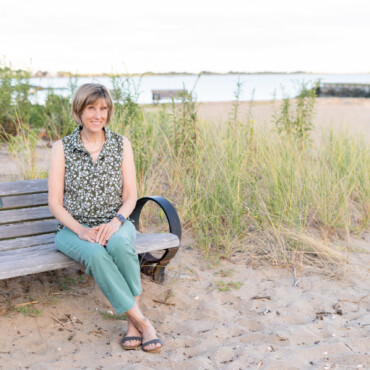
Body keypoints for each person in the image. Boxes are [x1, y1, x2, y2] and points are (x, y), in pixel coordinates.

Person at [48, 83, 163, 353]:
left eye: (103, 108)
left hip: (116, 221)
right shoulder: (61, 148)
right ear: (79, 110)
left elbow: (131, 195)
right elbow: (54, 203)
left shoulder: (121, 145)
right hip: (72, 229)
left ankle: (130, 325)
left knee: (120, 246)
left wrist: (115, 223)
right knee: (97, 255)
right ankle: (144, 323)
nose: (98, 115)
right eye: (91, 108)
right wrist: (81, 231)